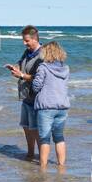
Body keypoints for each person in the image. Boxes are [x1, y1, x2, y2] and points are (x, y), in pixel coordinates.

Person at [5, 25, 44, 160]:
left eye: (26, 41)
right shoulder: (27, 52)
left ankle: (42, 158)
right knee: (26, 127)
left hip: (37, 98)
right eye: (23, 40)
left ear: (34, 39)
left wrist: (21, 76)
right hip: (25, 96)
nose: (24, 43)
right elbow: (22, 66)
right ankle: (30, 153)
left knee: (36, 129)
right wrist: (15, 68)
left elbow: (40, 78)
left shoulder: (42, 55)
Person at [30, 41, 70, 170]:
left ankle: (43, 167)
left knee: (44, 138)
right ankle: (61, 166)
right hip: (62, 106)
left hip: (46, 107)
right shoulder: (65, 68)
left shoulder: (43, 67)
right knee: (59, 137)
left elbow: (36, 86)